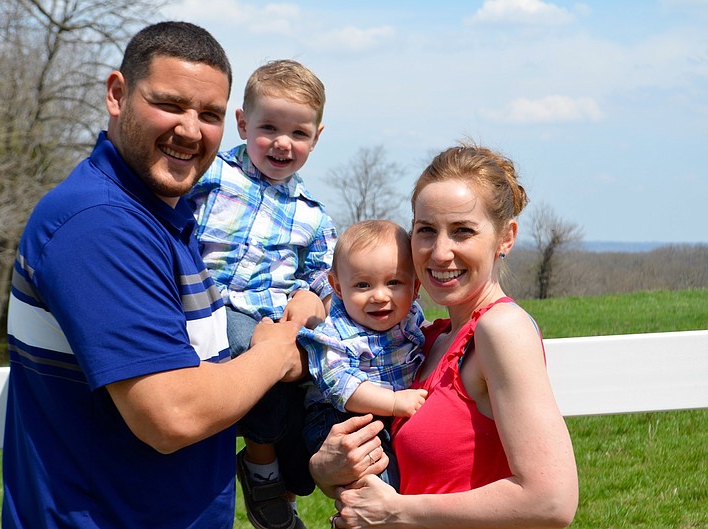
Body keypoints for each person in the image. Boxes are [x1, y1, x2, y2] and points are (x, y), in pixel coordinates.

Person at [2, 21, 306, 529]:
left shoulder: (165, 219)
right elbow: (173, 415)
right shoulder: (98, 224)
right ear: (117, 94)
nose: (190, 130)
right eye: (170, 104)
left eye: (208, 114)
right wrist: (276, 351)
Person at [310, 144, 579, 528]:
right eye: (426, 231)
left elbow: (551, 501)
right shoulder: (427, 341)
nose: (439, 252)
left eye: (462, 231)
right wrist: (325, 468)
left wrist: (396, 512)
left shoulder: (500, 330)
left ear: (506, 237)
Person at [186, 59, 336, 529]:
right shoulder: (210, 175)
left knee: (315, 374)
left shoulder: (312, 215)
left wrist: (316, 300)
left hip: (269, 320)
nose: (282, 143)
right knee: (260, 354)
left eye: (299, 133)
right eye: (268, 127)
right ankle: (261, 466)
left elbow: (324, 277)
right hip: (205, 307)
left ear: (316, 136)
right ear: (243, 123)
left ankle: (287, 481)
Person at [298, 220, 427, 489]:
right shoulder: (333, 333)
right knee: (379, 476)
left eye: (394, 282)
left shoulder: (411, 318)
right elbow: (341, 386)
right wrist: (392, 401)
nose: (380, 296)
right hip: (338, 418)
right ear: (337, 287)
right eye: (363, 285)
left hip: (388, 413)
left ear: (415, 288)